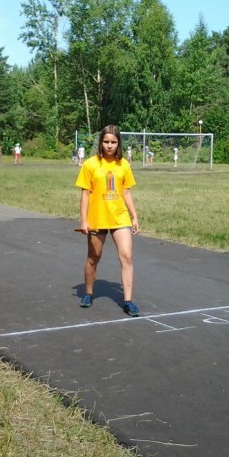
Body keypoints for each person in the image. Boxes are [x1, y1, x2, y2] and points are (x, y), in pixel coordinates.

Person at [75, 125, 140, 317]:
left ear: (118, 143)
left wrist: (134, 215)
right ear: (101, 143)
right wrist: (84, 220)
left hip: (120, 217)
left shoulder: (124, 165)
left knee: (127, 256)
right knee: (93, 258)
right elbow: (85, 194)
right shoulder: (90, 164)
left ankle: (128, 301)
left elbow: (126, 191)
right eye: (106, 142)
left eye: (113, 142)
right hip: (97, 218)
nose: (109, 146)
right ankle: (88, 293)